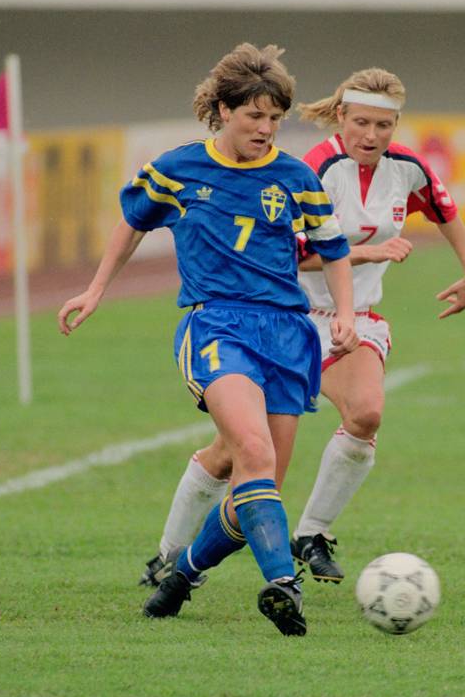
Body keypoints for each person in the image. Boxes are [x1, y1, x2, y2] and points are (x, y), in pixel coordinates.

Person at [139, 67, 465, 589]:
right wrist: (365, 251)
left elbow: (443, 207)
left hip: (354, 318)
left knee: (365, 414)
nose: (371, 136)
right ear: (340, 117)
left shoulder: (407, 168)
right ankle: (171, 557)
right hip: (290, 320)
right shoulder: (310, 170)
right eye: (362, 122)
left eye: (384, 126)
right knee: (241, 458)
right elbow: (288, 257)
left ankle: (311, 534)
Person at [58, 43, 358, 636]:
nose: (266, 129)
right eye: (255, 117)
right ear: (223, 110)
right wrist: (94, 290)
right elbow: (132, 222)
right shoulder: (178, 169)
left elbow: (334, 249)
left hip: (288, 333)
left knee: (258, 486)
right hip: (217, 324)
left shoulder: (295, 177)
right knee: (253, 449)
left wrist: (343, 313)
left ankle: (181, 577)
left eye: (275, 118)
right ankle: (282, 584)